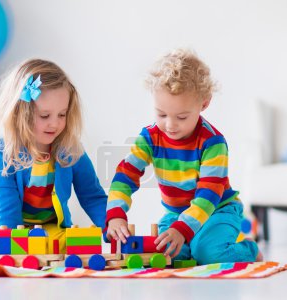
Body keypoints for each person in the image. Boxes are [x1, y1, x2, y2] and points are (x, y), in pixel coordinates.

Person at [105, 49, 262, 264]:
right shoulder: (149, 137)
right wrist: (115, 214)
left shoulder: (212, 142)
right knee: (167, 254)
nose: (170, 125)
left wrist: (182, 229)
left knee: (208, 254)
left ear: (203, 104)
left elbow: (209, 195)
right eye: (161, 114)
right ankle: (192, 241)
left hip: (217, 210)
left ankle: (250, 250)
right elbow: (125, 175)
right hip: (177, 214)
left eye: (181, 117)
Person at [0, 59, 107, 266]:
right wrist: (17, 243)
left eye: (62, 114)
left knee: (79, 245)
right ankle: (31, 255)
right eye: (45, 115)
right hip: (7, 228)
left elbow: (92, 194)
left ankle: (39, 255)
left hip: (48, 229)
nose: (55, 123)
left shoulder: (70, 150)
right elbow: (4, 198)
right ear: (21, 113)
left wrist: (110, 222)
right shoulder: (3, 150)